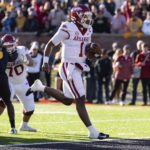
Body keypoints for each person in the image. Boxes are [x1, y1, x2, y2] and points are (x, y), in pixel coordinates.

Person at [26, 4, 109, 139]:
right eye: (85, 16)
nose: (88, 19)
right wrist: (45, 61)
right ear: (76, 17)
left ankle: (40, 87)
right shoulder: (67, 27)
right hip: (68, 66)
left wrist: (93, 54)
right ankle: (92, 131)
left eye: (89, 16)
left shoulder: (89, 30)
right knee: (80, 99)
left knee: (67, 100)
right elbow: (50, 44)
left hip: (78, 66)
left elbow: (85, 52)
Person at [0, 34, 37, 132]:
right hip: (9, 82)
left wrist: (25, 60)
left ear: (15, 44)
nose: (9, 47)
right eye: (7, 45)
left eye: (11, 45)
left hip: (22, 82)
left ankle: (24, 126)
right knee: (2, 104)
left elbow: (32, 63)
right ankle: (13, 127)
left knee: (30, 107)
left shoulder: (22, 50)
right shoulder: (1, 53)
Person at [0, 38, 16, 134]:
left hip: (2, 78)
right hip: (3, 79)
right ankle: (13, 127)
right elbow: (13, 57)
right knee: (8, 103)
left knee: (8, 103)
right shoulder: (5, 52)